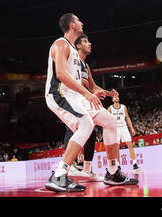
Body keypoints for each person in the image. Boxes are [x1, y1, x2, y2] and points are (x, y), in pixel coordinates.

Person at [44, 13, 137, 192]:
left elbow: (83, 84)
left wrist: (96, 92)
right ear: (72, 25)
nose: (82, 22)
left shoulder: (78, 57)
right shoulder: (60, 44)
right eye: (78, 20)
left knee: (110, 121)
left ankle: (112, 172)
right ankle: (58, 175)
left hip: (76, 96)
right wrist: (87, 93)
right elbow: (61, 74)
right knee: (85, 124)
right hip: (59, 94)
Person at [64, 34, 117, 182]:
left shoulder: (85, 66)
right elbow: (62, 78)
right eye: (86, 42)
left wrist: (108, 93)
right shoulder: (70, 61)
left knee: (91, 133)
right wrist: (76, 83)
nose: (90, 44)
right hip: (70, 100)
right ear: (78, 46)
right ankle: (69, 166)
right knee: (73, 128)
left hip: (84, 100)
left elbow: (93, 87)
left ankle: (87, 170)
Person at [108, 95, 141, 173]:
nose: (117, 98)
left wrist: (132, 128)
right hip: (115, 129)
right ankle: (118, 165)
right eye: (115, 97)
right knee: (117, 147)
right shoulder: (110, 108)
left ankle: (134, 164)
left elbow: (127, 117)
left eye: (117, 96)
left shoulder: (123, 107)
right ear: (112, 99)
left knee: (130, 145)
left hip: (124, 127)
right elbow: (106, 118)